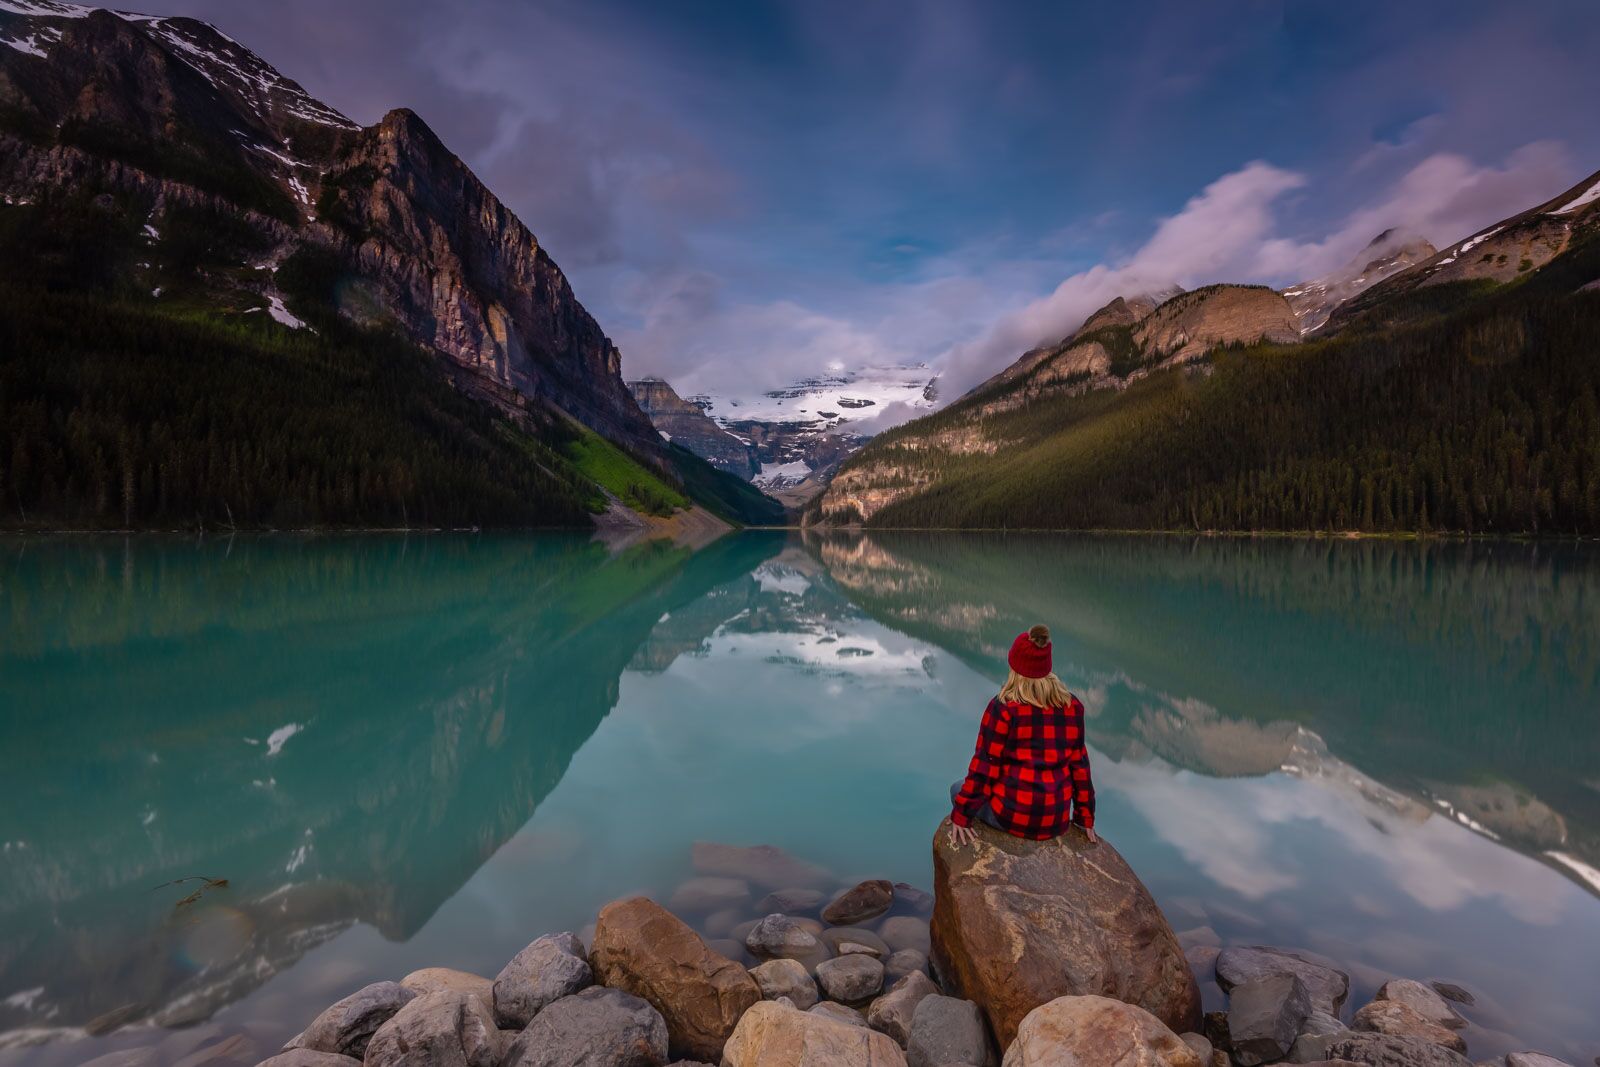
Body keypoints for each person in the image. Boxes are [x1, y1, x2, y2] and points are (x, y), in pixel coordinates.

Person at [948, 624, 1097, 848]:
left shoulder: (1003, 708)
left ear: (1015, 667)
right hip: (1055, 820)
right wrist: (1085, 818)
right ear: (1047, 667)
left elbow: (985, 767)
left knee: (956, 789)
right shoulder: (1072, 706)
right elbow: (1080, 768)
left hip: (1011, 817)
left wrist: (961, 815)